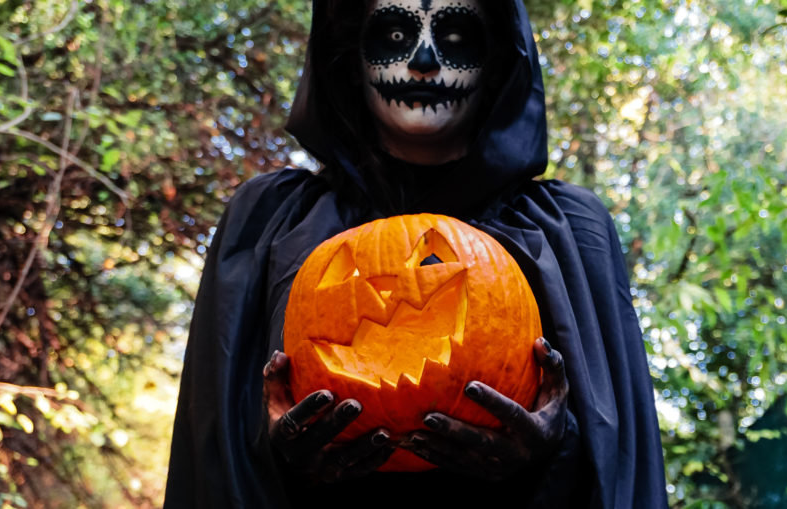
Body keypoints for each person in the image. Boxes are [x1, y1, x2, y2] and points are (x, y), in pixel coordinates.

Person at [164, 0, 668, 507]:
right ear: (352, 59)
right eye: (395, 35)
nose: (424, 59)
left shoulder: (568, 227)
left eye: (454, 37)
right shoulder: (272, 219)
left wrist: (556, 446)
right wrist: (277, 451)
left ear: (495, 61)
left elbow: (619, 457)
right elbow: (215, 444)